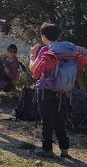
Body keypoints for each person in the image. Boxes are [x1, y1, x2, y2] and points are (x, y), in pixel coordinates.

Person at [29, 23, 70, 158]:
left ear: (43, 36)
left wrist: (32, 55)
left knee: (46, 119)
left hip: (45, 90)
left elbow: (34, 70)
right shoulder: (65, 49)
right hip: (61, 89)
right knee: (59, 119)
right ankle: (64, 149)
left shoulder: (45, 50)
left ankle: (47, 150)